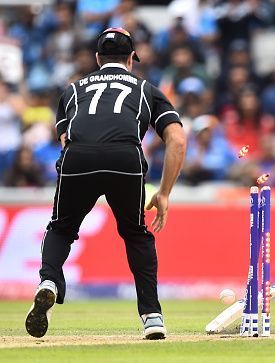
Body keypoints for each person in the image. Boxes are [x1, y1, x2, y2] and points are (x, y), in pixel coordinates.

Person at [24, 28, 186, 340]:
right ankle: (152, 317)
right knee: (135, 234)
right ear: (130, 59)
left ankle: (48, 281)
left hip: (78, 158)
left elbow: (65, 139)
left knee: (61, 228)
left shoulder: (72, 91)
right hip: (125, 158)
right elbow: (177, 139)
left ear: (98, 58)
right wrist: (164, 192)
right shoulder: (145, 89)